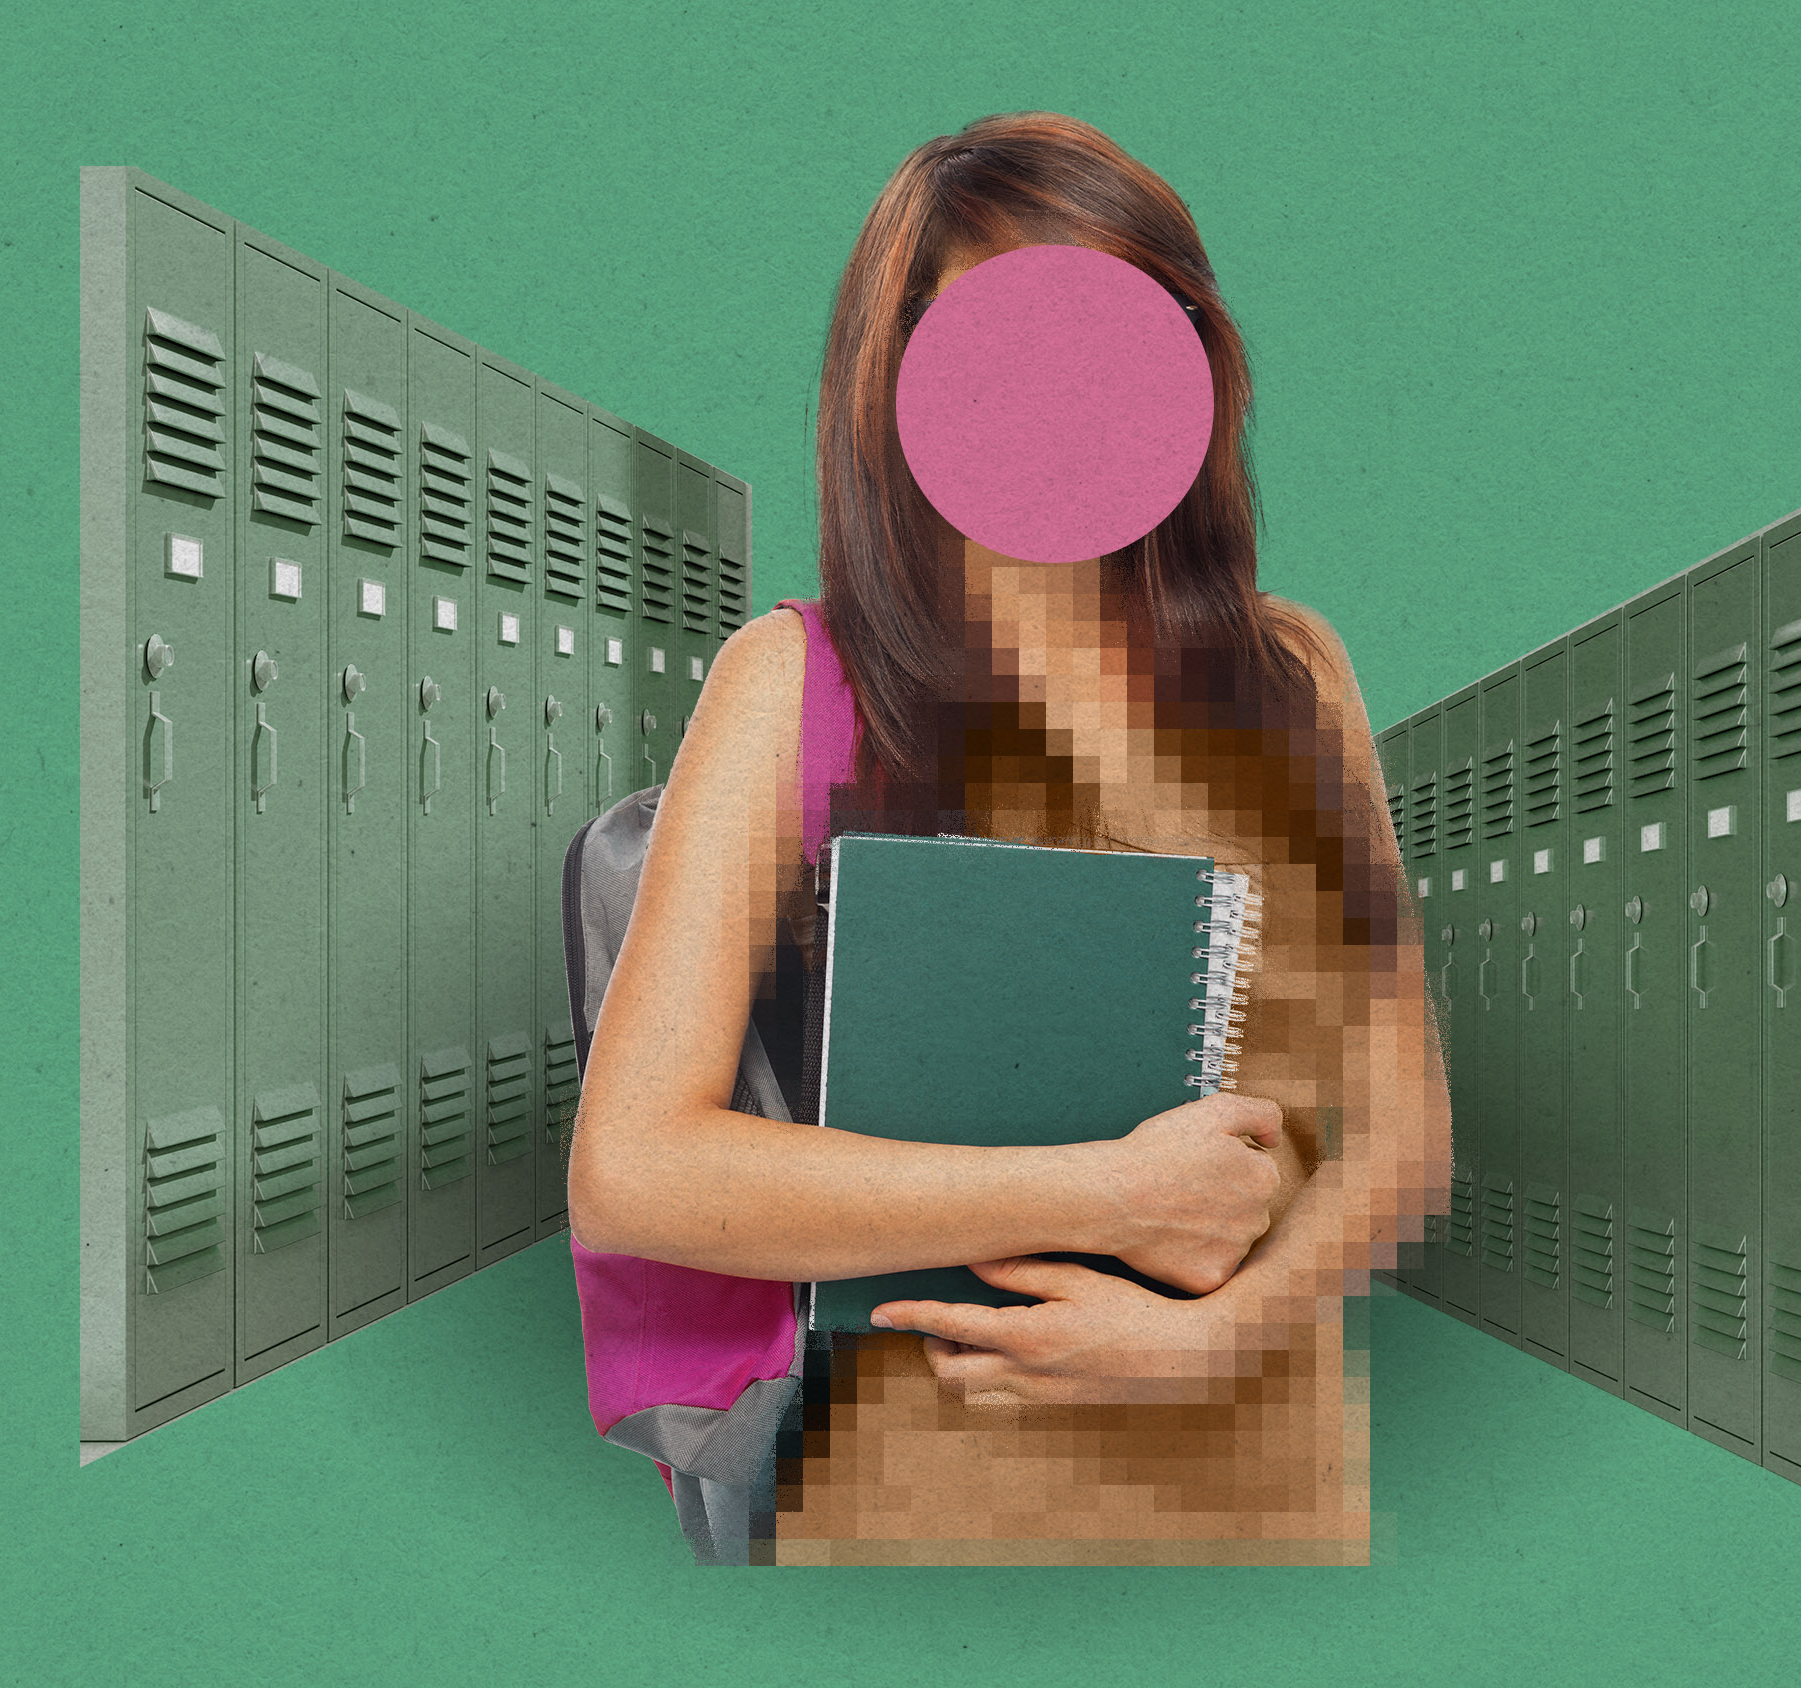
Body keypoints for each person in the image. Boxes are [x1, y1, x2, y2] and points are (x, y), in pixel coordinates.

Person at [566, 110, 1450, 1566]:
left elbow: (1403, 1120)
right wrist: (1106, 1190)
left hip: (1247, 1478)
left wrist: (1221, 1335)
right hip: (913, 1483)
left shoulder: (1297, 671)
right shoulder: (792, 683)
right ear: (901, 381)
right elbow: (635, 1168)